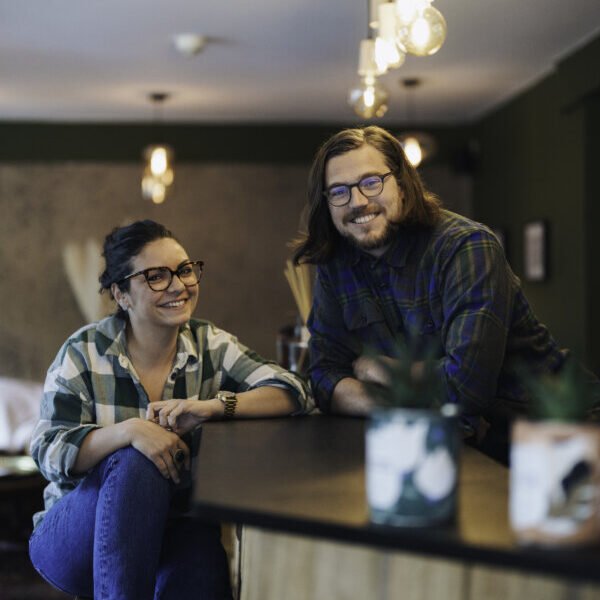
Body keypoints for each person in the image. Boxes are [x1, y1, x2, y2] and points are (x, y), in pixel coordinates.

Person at [30, 219, 312, 600]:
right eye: (156, 276)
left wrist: (211, 407)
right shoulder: (83, 351)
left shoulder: (209, 343)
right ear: (121, 294)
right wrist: (130, 432)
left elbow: (293, 391)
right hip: (75, 535)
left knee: (206, 580)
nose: (179, 285)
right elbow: (48, 451)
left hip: (177, 528)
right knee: (135, 460)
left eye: (184, 270)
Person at [293, 125, 577, 464]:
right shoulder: (336, 264)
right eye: (338, 191)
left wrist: (377, 369)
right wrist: (406, 401)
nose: (357, 201)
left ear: (401, 182)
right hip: (457, 442)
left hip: (554, 435)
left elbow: (464, 389)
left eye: (371, 182)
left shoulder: (466, 247)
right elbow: (323, 378)